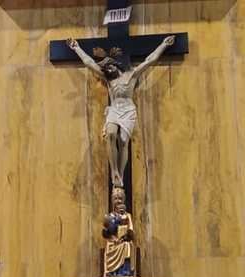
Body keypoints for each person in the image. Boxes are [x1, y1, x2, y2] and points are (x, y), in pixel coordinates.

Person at [66, 35, 175, 188]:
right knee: (110, 134)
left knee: (123, 142)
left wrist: (163, 45)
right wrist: (76, 48)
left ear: (116, 65)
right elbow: (89, 63)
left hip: (128, 110)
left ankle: (120, 174)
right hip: (114, 109)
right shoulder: (108, 79)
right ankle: (114, 171)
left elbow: (149, 60)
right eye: (106, 68)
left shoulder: (132, 75)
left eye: (109, 66)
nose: (107, 69)